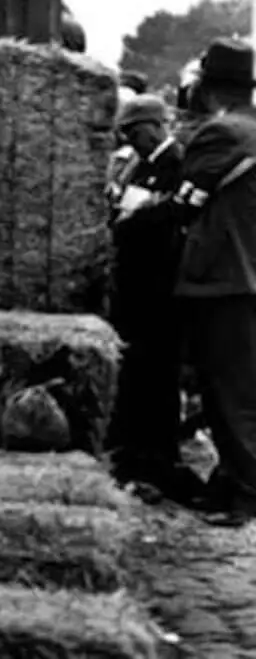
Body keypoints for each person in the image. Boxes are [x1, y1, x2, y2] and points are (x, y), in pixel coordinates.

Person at [171, 38, 256, 525]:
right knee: (239, 389)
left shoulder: (221, 133)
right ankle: (229, 483)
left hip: (224, 277)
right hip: (245, 277)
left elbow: (185, 202)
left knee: (229, 394)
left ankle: (246, 493)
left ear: (206, 86)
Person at [105, 94, 197, 501]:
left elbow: (169, 218)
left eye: (134, 131)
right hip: (138, 285)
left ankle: (158, 456)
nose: (131, 140)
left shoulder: (175, 165)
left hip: (158, 287)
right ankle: (137, 453)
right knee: (138, 371)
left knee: (157, 374)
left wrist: (132, 221)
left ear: (155, 126)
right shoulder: (141, 166)